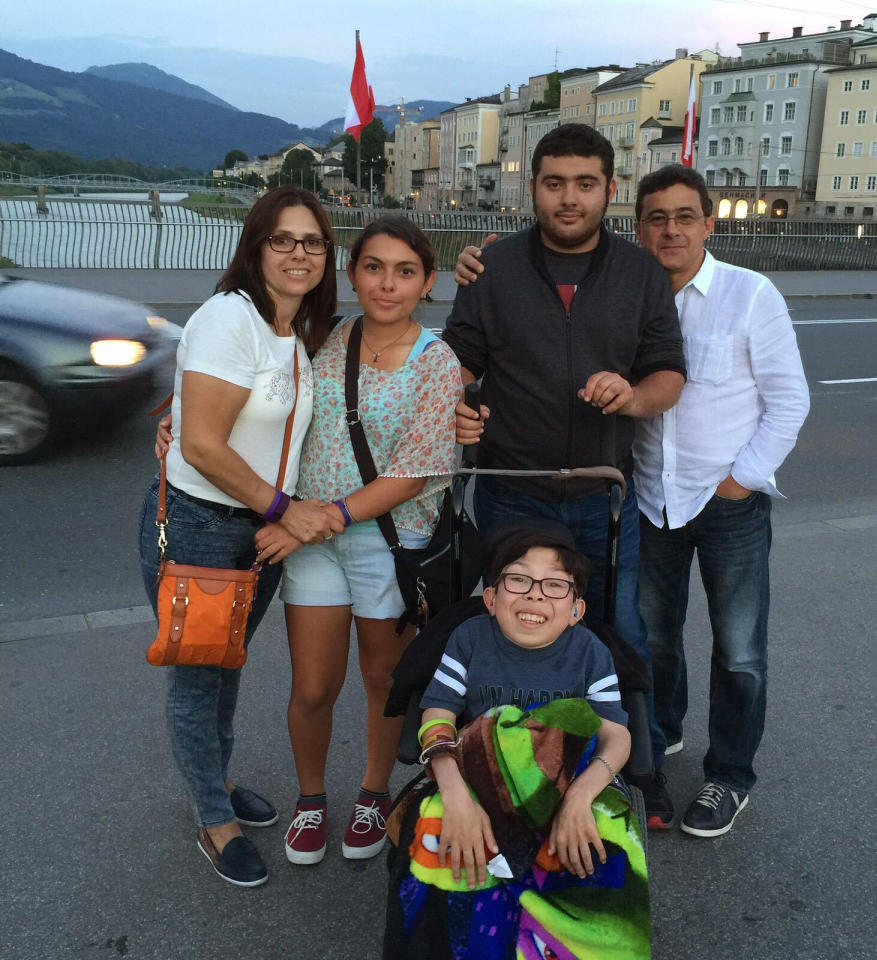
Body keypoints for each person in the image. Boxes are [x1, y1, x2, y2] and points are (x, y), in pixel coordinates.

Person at [448, 123, 686, 828]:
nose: (569, 198)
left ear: (609, 190)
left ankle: (641, 772)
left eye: (585, 183)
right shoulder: (492, 268)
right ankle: (507, 771)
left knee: (623, 637)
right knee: (513, 633)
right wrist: (453, 400)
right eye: (554, 183)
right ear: (534, 188)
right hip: (511, 492)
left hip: (604, 498)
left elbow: (668, 370)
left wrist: (633, 396)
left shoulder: (641, 273)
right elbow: (459, 360)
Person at [138, 186, 343, 887]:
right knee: (199, 679)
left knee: (225, 667)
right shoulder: (232, 318)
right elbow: (200, 444)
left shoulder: (293, 330)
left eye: (312, 242)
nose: (299, 253)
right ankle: (211, 817)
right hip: (203, 524)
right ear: (254, 246)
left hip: (250, 531)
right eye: (282, 240)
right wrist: (285, 507)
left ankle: (213, 784)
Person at [253, 216, 462, 866]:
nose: (388, 284)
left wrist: (319, 518)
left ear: (428, 282)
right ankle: (310, 797)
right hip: (311, 541)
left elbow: (411, 473)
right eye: (374, 267)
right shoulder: (323, 339)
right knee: (313, 685)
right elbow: (256, 399)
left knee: (382, 680)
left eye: (406, 271)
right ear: (352, 274)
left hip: (392, 545)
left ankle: (374, 792)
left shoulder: (438, 362)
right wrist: (180, 422)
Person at [631, 165, 810, 836]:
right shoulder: (630, 296)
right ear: (639, 227)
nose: (671, 228)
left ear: (709, 223)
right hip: (652, 500)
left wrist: (743, 478)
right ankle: (664, 731)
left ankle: (730, 775)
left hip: (727, 501)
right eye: (656, 217)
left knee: (739, 649)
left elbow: (789, 399)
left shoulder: (748, 294)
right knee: (652, 635)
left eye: (684, 216)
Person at [383, 527, 649, 959]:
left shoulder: (590, 652)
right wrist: (456, 796)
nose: (535, 595)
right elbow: (437, 714)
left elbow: (615, 733)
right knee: (431, 823)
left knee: (608, 837)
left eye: (555, 585)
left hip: (570, 777)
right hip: (477, 770)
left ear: (576, 609)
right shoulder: (469, 639)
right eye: (518, 579)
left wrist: (579, 798)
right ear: (491, 598)